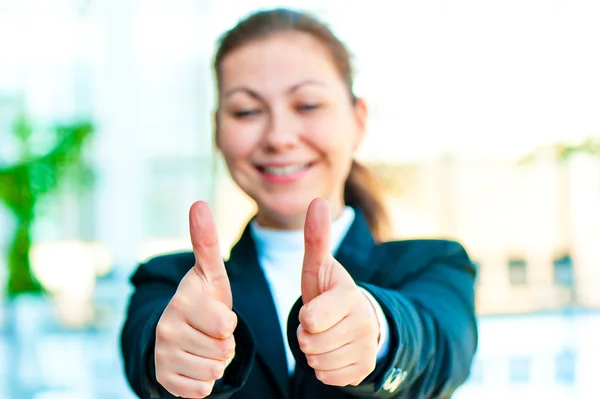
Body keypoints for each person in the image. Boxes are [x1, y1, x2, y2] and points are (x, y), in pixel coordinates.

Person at [120, 7, 478, 399]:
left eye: (307, 105)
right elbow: (147, 357)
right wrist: (181, 357)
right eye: (247, 111)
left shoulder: (435, 265)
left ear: (358, 120)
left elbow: (438, 351)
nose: (279, 137)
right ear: (218, 132)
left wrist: (379, 330)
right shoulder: (167, 285)